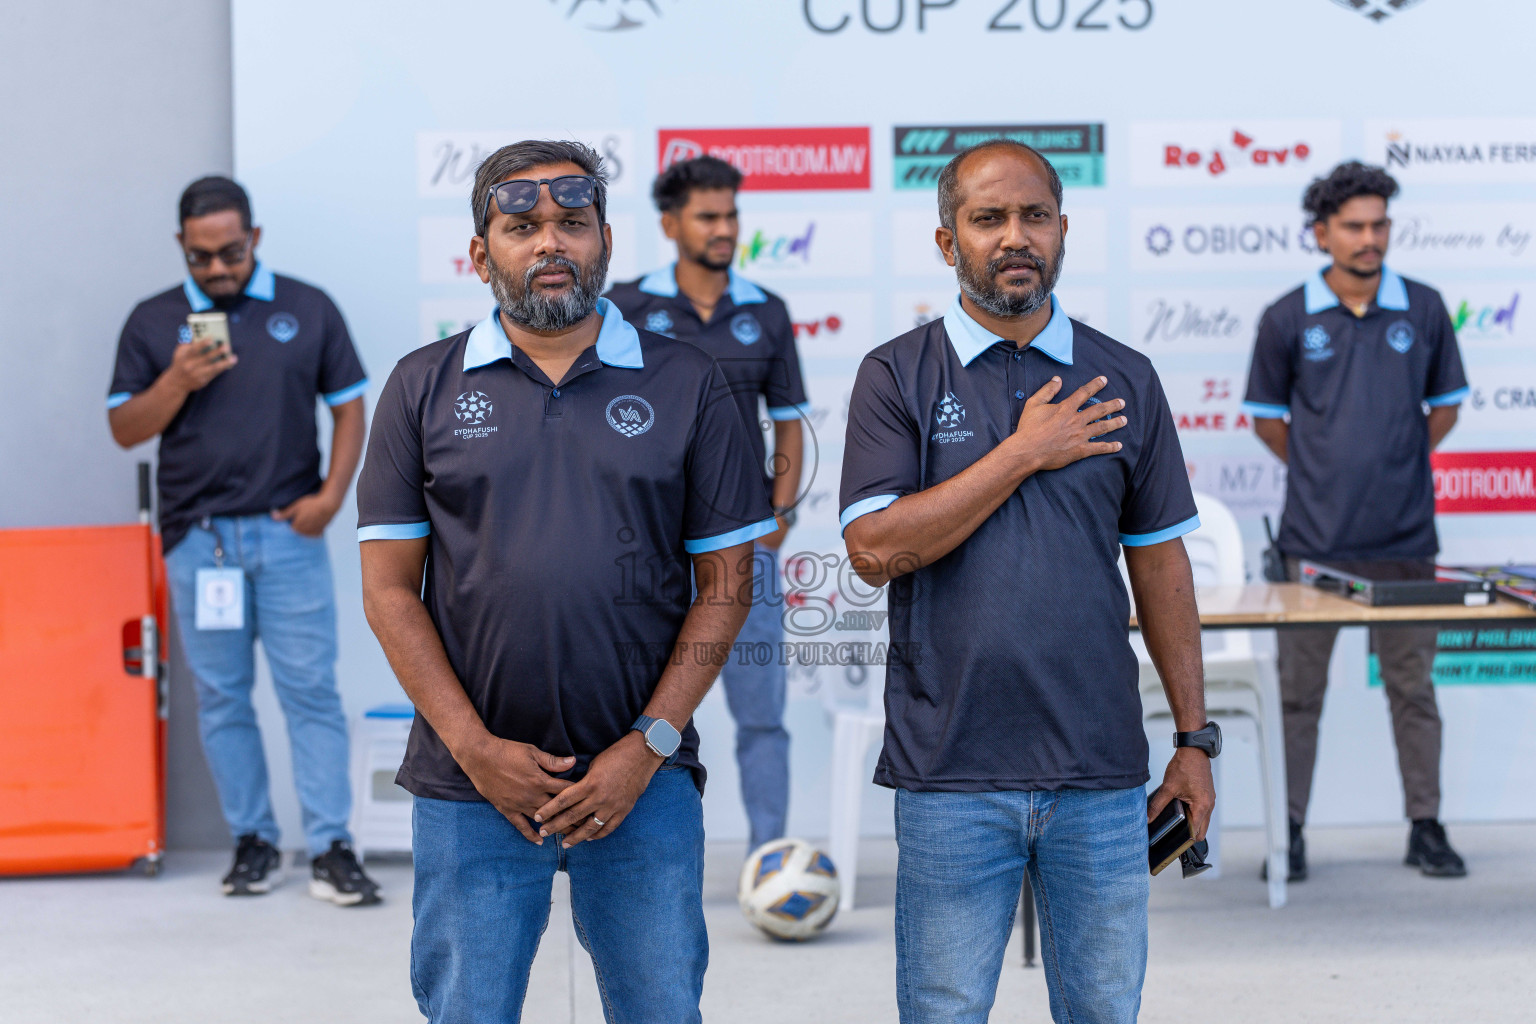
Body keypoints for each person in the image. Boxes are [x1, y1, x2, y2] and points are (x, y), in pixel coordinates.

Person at [356, 140, 776, 1023]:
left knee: (660, 1010)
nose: (551, 243)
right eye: (521, 226)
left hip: (643, 784)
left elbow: (728, 582)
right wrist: (476, 750)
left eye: (572, 224)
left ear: (607, 241)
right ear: (480, 255)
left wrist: (647, 745)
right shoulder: (420, 387)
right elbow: (390, 589)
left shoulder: (687, 382)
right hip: (470, 785)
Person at [839, 140, 1217, 1024]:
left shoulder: (1124, 377)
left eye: (1034, 216)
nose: (1016, 237)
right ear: (947, 243)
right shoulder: (896, 374)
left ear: (1063, 230)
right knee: (944, 1012)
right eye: (989, 218)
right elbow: (873, 551)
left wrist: (1195, 741)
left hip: (1103, 774)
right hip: (951, 774)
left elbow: (1161, 564)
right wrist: (1021, 454)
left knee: (1104, 1012)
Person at [106, 176, 379, 905]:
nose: (218, 269)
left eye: (230, 252)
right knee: (224, 698)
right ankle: (253, 841)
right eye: (201, 258)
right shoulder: (153, 320)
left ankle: (331, 847)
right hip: (199, 543)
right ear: (181, 248)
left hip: (289, 534)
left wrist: (331, 497)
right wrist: (175, 382)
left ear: (255, 238)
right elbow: (125, 429)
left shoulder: (306, 307)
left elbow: (351, 408)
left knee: (310, 693)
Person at [1242, 161, 1470, 881]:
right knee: (1298, 697)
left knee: (1413, 690)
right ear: (1321, 233)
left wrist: (1395, 459)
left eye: (1379, 225)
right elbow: (1268, 421)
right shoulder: (1286, 317)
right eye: (1354, 226)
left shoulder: (1425, 308)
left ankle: (1426, 828)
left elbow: (1446, 408)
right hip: (1313, 547)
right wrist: (1327, 469)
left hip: (1407, 542)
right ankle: (1292, 834)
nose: (1370, 239)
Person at [606, 155, 809, 851]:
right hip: (648, 553)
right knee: (632, 711)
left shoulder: (766, 311)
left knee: (761, 717)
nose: (725, 230)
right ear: (671, 224)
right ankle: (623, 847)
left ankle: (768, 859)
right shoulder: (626, 308)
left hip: (740, 553)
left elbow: (790, 420)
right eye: (709, 217)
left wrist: (780, 515)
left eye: (731, 216)